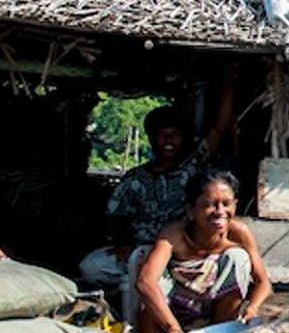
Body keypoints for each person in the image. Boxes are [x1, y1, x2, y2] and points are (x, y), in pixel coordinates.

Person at [80, 82, 235, 310]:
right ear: (152, 139)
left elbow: (219, 127)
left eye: (174, 135)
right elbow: (115, 215)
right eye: (162, 135)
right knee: (91, 266)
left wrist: (228, 81)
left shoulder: (192, 167)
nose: (168, 141)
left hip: (180, 252)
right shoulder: (135, 178)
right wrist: (122, 243)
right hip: (139, 250)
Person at [133, 170, 273, 333]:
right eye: (210, 205)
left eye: (227, 204)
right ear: (191, 210)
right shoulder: (174, 234)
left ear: (235, 205)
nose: (220, 211)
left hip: (215, 313)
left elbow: (263, 283)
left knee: (238, 258)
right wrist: (173, 328)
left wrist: (252, 309)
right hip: (172, 314)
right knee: (154, 287)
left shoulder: (239, 233)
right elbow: (145, 281)